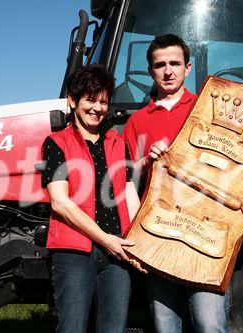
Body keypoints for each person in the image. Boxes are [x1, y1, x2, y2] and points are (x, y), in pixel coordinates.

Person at [123, 34, 243, 333]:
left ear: (188, 68)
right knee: (164, 325)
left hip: (204, 232)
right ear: (150, 71)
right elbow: (127, 178)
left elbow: (240, 167)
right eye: (160, 65)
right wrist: (146, 160)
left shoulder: (208, 109)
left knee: (209, 323)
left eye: (175, 63)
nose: (168, 71)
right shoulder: (137, 121)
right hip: (160, 231)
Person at [41, 64, 143, 333]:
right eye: (89, 100)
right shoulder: (56, 143)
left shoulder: (118, 143)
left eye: (103, 101)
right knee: (72, 327)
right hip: (75, 253)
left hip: (117, 253)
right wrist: (104, 239)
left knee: (114, 328)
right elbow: (59, 203)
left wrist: (137, 243)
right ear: (72, 101)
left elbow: (129, 193)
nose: (97, 108)